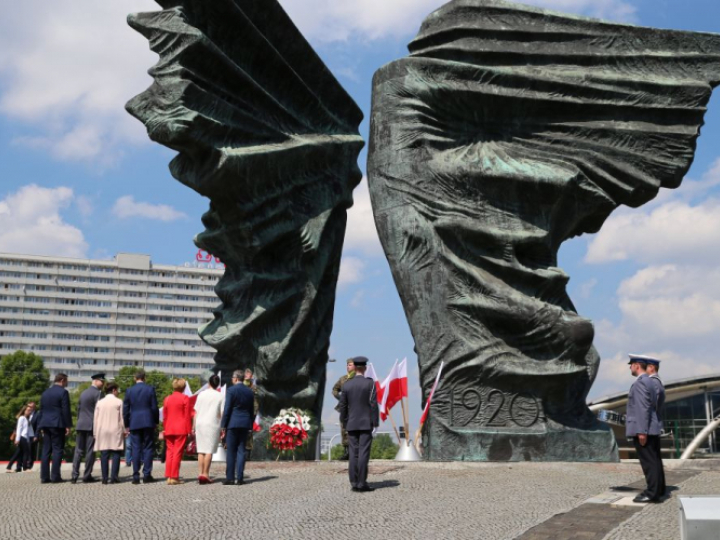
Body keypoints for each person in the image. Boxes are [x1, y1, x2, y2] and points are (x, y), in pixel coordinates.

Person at [626, 354, 665, 503]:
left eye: (631, 364)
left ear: (636, 365)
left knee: (648, 462)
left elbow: (643, 408)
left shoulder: (641, 383)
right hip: (651, 427)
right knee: (654, 460)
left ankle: (652, 493)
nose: (630, 367)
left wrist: (642, 430)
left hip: (644, 429)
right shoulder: (650, 381)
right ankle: (658, 490)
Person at [338, 356, 379, 492]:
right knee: (363, 453)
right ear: (365, 368)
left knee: (353, 453)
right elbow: (373, 404)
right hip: (366, 423)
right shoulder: (370, 383)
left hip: (351, 423)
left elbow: (343, 405)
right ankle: (362, 483)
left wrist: (344, 421)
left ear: (355, 368)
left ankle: (354, 482)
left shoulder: (346, 385)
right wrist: (375, 422)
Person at [123, 370, 159, 485]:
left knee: (135, 448)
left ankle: (135, 476)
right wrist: (156, 421)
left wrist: (126, 424)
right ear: (145, 378)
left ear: (135, 378)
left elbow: (125, 410)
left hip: (134, 422)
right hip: (148, 421)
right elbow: (154, 407)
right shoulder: (150, 389)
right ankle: (147, 475)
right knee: (148, 448)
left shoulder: (129, 390)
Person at [220, 370, 254, 485]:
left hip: (232, 423)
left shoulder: (231, 390)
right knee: (241, 450)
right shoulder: (249, 392)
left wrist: (223, 425)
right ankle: (240, 477)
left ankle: (230, 477)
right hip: (245, 423)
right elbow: (251, 410)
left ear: (235, 378)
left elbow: (227, 408)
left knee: (231, 451)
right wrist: (251, 424)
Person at [37, 373, 72, 483]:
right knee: (57, 449)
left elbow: (41, 410)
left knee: (46, 450)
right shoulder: (63, 392)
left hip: (45, 423)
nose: (67, 383)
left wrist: (40, 425)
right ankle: (55, 476)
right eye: (66, 381)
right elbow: (65, 410)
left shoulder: (45, 392)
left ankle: (44, 477)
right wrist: (68, 425)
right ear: (62, 380)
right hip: (57, 424)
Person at [71, 372, 105, 484]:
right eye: (102, 381)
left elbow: (79, 408)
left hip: (81, 424)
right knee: (90, 451)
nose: (103, 383)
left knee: (78, 451)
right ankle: (87, 475)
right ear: (95, 381)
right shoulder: (99, 394)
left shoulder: (83, 393)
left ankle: (74, 475)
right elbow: (100, 411)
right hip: (92, 425)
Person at [194, 374, 224, 484]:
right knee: (209, 450)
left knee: (201, 450)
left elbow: (195, 412)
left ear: (209, 383)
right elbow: (222, 413)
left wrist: (193, 426)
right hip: (212, 424)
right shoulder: (220, 396)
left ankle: (200, 473)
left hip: (200, 423)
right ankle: (206, 474)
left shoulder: (201, 394)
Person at [93, 382, 125, 484]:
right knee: (116, 453)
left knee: (104, 454)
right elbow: (122, 418)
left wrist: (95, 432)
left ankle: (104, 478)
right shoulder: (119, 401)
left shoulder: (99, 402)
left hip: (102, 430)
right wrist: (124, 430)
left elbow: (95, 419)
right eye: (117, 390)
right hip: (115, 429)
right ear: (114, 390)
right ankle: (114, 477)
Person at [162, 378, 193, 485]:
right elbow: (187, 416)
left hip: (169, 428)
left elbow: (165, 416)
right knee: (177, 452)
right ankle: (174, 477)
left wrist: (164, 428)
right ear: (183, 388)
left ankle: (169, 476)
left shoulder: (167, 399)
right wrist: (189, 431)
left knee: (169, 452)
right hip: (181, 429)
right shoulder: (185, 398)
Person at [644, 357, 667, 498]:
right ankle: (659, 489)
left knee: (651, 460)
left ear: (652, 367)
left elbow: (650, 406)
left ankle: (654, 491)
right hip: (653, 425)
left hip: (650, 426)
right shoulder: (656, 382)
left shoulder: (653, 382)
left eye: (645, 366)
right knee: (655, 460)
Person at [332, 359, 355, 460]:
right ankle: (346, 452)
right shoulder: (343, 379)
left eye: (350, 365)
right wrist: (340, 398)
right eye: (347, 365)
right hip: (345, 408)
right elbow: (334, 389)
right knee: (344, 430)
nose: (348, 367)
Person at [5, 405, 31, 473]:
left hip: (24, 437)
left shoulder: (26, 419)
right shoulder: (22, 418)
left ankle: (8, 467)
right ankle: (25, 468)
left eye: (30, 410)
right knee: (26, 452)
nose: (29, 412)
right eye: (28, 410)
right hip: (22, 437)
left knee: (17, 453)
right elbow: (19, 429)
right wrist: (17, 439)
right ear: (24, 411)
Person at [243, 368, 259, 460]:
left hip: (251, 414)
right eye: (246, 375)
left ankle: (247, 454)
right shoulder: (241, 386)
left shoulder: (254, 387)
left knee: (249, 433)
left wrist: (254, 413)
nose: (248, 377)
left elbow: (256, 402)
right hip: (242, 413)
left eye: (249, 375)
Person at [26, 401, 39, 471]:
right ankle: (22, 465)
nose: (29, 408)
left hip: (32, 435)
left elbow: (38, 426)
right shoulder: (26, 414)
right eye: (28, 406)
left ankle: (29, 465)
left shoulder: (37, 415)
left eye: (31, 407)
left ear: (34, 407)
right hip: (25, 435)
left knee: (31, 450)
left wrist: (36, 436)